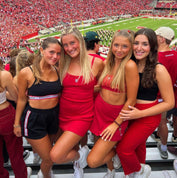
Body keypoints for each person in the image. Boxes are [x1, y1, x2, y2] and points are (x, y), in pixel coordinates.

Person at [116, 28, 175, 178]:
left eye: (145, 44)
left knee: (123, 149)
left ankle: (140, 171)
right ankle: (135, 172)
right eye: (136, 43)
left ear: (152, 47)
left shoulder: (159, 69)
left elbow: (170, 103)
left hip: (147, 115)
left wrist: (140, 113)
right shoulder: (130, 64)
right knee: (139, 147)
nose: (139, 48)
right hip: (131, 112)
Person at [50, 27, 104, 178]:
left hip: (82, 116)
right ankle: (77, 164)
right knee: (70, 147)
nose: (69, 48)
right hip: (63, 114)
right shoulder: (62, 63)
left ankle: (80, 157)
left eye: (72, 43)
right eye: (65, 45)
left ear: (80, 41)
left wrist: (89, 90)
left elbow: (105, 85)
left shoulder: (96, 62)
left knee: (56, 155)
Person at [87, 29, 139, 178]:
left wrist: (116, 124)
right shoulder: (107, 63)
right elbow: (103, 87)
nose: (119, 50)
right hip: (99, 113)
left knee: (92, 161)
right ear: (111, 45)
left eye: (124, 46)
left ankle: (118, 151)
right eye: (116, 45)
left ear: (130, 49)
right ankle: (111, 171)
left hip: (114, 119)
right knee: (99, 145)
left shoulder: (129, 66)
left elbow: (131, 100)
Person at [14, 37, 63, 178]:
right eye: (51, 52)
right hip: (34, 119)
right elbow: (22, 99)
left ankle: (45, 172)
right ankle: (46, 175)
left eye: (58, 53)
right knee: (49, 157)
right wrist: (17, 123)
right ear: (41, 50)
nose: (55, 56)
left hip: (53, 117)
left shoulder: (57, 70)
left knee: (49, 157)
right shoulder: (26, 72)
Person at [0, 59, 31, 177]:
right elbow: (15, 97)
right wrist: (4, 94)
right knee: (15, 151)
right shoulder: (4, 75)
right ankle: (21, 175)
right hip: (5, 115)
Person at [150, 27, 177, 159]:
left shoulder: (155, 56)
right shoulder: (176, 55)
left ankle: (162, 147)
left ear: (161, 39)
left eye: (156, 36)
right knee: (163, 122)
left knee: (156, 123)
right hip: (169, 96)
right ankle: (163, 146)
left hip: (154, 96)